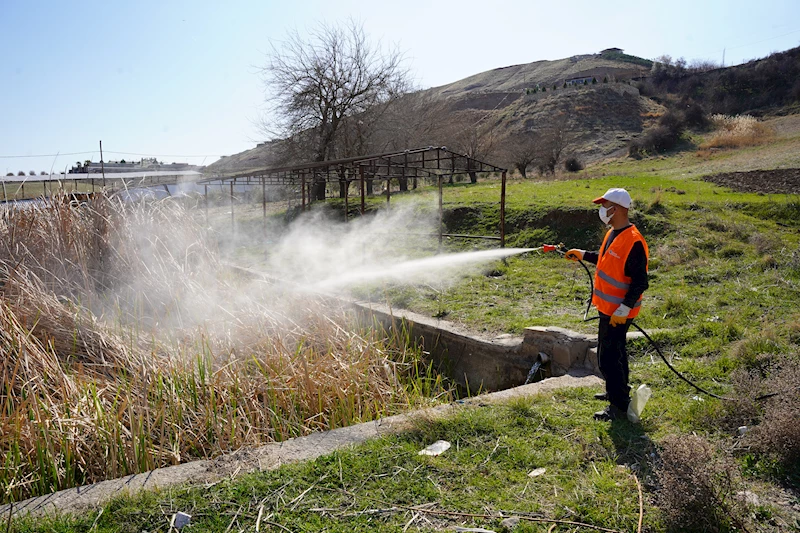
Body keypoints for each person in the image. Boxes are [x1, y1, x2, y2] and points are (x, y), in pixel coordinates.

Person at [564, 188, 649, 421]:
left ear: (619, 209)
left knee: (608, 358)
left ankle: (618, 405)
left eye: (606, 205)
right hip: (609, 308)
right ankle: (618, 391)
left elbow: (641, 282)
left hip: (619, 311)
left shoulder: (634, 241)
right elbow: (604, 260)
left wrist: (624, 308)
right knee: (614, 352)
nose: (602, 209)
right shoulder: (614, 232)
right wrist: (582, 254)